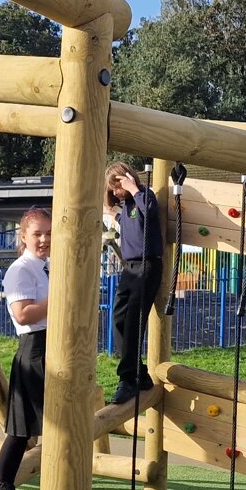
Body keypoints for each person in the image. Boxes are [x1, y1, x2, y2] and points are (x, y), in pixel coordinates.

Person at [0, 208, 52, 490]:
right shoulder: (21, 270)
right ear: (23, 236)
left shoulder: (44, 268)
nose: (44, 239)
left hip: (52, 347)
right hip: (36, 350)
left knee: (23, 429)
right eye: (37, 233)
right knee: (29, 429)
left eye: (49, 233)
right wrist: (63, 297)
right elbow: (23, 314)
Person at [104, 162, 165, 405]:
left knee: (133, 321)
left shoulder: (144, 197)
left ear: (127, 180)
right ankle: (139, 373)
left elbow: (149, 212)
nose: (115, 192)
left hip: (147, 265)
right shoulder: (126, 206)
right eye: (112, 189)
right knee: (118, 317)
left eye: (116, 186)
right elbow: (122, 219)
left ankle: (127, 379)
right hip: (129, 268)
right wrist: (110, 210)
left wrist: (133, 187)